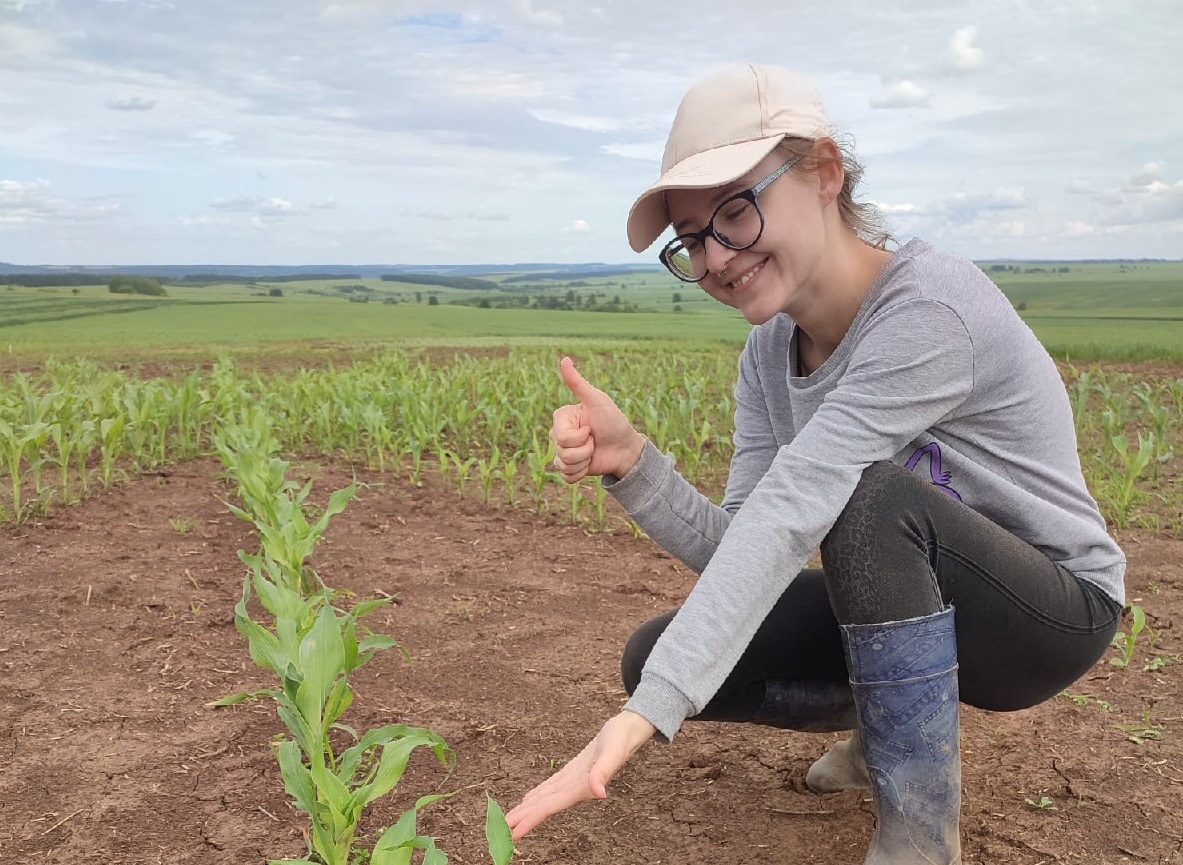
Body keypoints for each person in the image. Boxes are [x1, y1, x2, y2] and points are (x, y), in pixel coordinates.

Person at [506, 63, 1126, 864]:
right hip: (919, 605)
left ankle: (917, 839)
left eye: (734, 211)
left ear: (824, 172)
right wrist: (634, 466)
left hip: (1050, 615)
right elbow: (749, 542)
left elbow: (802, 498)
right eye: (691, 239)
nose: (717, 257)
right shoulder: (768, 356)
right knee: (652, 655)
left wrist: (645, 714)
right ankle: (888, 733)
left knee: (866, 502)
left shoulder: (928, 308)